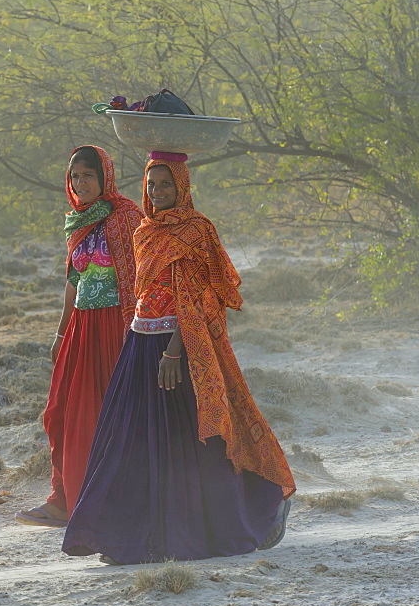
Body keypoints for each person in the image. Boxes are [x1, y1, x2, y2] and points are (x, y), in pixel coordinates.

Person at [62, 152, 296, 564]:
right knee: (131, 443)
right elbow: (138, 294)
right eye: (152, 185)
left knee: (192, 445)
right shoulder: (144, 231)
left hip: (178, 348)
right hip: (139, 343)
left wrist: (173, 351)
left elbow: (200, 298)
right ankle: (130, 538)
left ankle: (245, 514)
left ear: (183, 186)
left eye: (166, 185)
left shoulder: (195, 231)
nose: (158, 193)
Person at [15, 146, 143, 528]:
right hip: (81, 329)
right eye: (74, 177)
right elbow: (73, 283)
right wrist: (60, 330)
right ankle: (63, 500)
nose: (80, 183)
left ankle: (106, 502)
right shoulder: (78, 223)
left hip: (115, 327)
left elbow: (139, 279)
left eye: (88, 175)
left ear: (105, 177)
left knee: (103, 415)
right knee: (61, 413)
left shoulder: (127, 218)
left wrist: (135, 332)